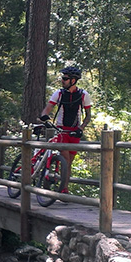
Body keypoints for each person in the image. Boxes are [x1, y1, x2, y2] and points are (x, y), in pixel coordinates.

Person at [39, 66, 92, 194]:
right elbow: (48, 108)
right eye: (62, 78)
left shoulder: (84, 95)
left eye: (65, 78)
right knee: (66, 159)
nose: (62, 80)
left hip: (74, 132)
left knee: (69, 163)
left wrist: (81, 128)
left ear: (73, 81)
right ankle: (63, 188)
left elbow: (88, 115)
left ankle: (64, 187)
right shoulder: (59, 93)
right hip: (61, 130)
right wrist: (44, 117)